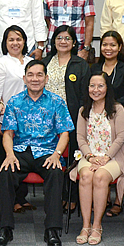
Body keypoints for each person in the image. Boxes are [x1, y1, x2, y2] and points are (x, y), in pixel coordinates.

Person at [0, 60, 74, 246]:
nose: (35, 79)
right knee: (5, 173)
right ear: (24, 78)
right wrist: (10, 154)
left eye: (39, 75)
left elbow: (64, 133)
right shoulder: (15, 101)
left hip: (47, 152)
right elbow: (8, 133)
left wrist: (57, 154)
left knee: (55, 172)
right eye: (31, 75)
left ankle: (52, 229)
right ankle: (5, 228)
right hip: (20, 151)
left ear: (46, 78)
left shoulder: (56, 101)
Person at [72, 72, 124, 245]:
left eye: (100, 86)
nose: (95, 90)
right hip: (89, 155)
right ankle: (85, 225)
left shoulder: (117, 108)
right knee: (85, 176)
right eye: (92, 86)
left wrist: (106, 158)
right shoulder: (83, 110)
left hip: (114, 157)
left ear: (107, 88)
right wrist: (90, 157)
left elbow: (121, 137)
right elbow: (80, 137)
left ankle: (97, 226)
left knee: (99, 177)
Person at [42, 26, 90, 212]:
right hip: (46, 121)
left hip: (71, 119)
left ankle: (71, 196)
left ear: (73, 42)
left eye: (67, 38)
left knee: (71, 158)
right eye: (59, 37)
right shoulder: (46, 62)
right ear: (53, 41)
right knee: (52, 158)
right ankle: (55, 197)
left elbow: (85, 95)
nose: (63, 41)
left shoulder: (80, 64)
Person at [0, 26, 35, 212]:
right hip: (8, 121)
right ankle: (12, 200)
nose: (15, 43)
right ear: (5, 43)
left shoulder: (32, 62)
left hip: (32, 121)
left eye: (19, 39)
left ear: (24, 41)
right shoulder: (1, 63)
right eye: (11, 40)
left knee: (25, 156)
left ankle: (21, 198)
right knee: (10, 158)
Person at [91, 31, 124, 112]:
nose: (108, 48)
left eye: (113, 45)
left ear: (119, 47)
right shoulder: (94, 68)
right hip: (95, 112)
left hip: (118, 112)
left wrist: (110, 106)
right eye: (104, 45)